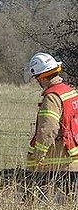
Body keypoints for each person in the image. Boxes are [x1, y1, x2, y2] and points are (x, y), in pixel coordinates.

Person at [23, 52, 78, 197]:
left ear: (42, 77)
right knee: (70, 203)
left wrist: (38, 155)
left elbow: (48, 130)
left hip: (56, 161)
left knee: (31, 199)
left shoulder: (52, 97)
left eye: (37, 78)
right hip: (73, 158)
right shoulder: (70, 92)